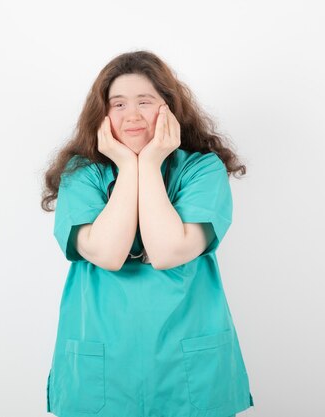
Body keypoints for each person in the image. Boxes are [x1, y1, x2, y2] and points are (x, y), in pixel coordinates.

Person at [40, 50, 254, 417]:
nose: (132, 114)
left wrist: (151, 161)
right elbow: (107, 253)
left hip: (187, 366)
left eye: (145, 101)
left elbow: (168, 251)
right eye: (118, 103)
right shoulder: (83, 173)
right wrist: (127, 163)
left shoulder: (202, 169)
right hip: (102, 363)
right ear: (103, 114)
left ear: (169, 107)